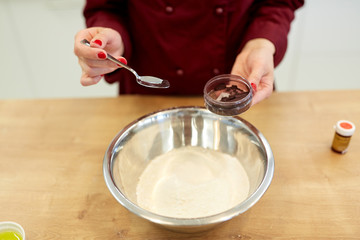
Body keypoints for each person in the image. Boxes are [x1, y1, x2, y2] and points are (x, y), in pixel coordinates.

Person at [74, 0, 304, 105]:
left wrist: (262, 41)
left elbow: (279, 2)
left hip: (240, 82)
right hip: (148, 94)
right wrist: (111, 37)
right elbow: (105, 6)